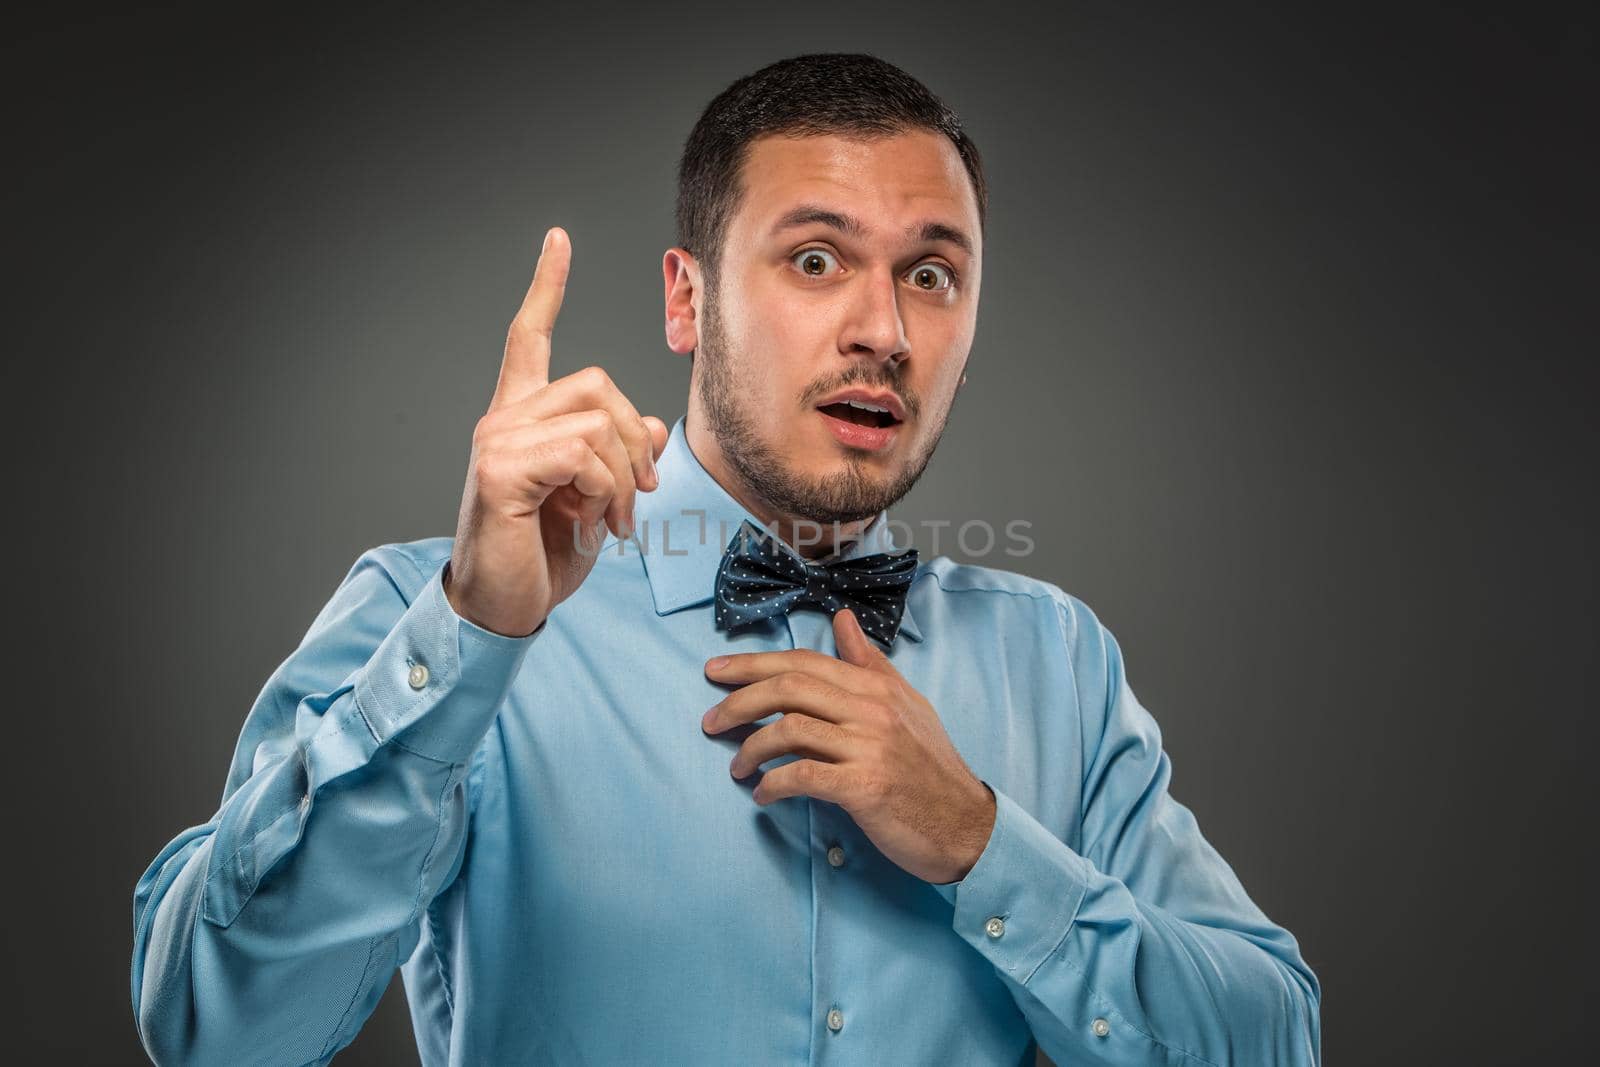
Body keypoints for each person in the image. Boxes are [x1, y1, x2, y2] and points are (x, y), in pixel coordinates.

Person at [131, 52, 1320, 1066]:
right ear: (685, 300)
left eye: (931, 273)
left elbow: (1275, 1033)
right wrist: (474, 636)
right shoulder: (431, 611)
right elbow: (213, 1027)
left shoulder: (1056, 658)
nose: (885, 331)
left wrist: (977, 840)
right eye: (815, 258)